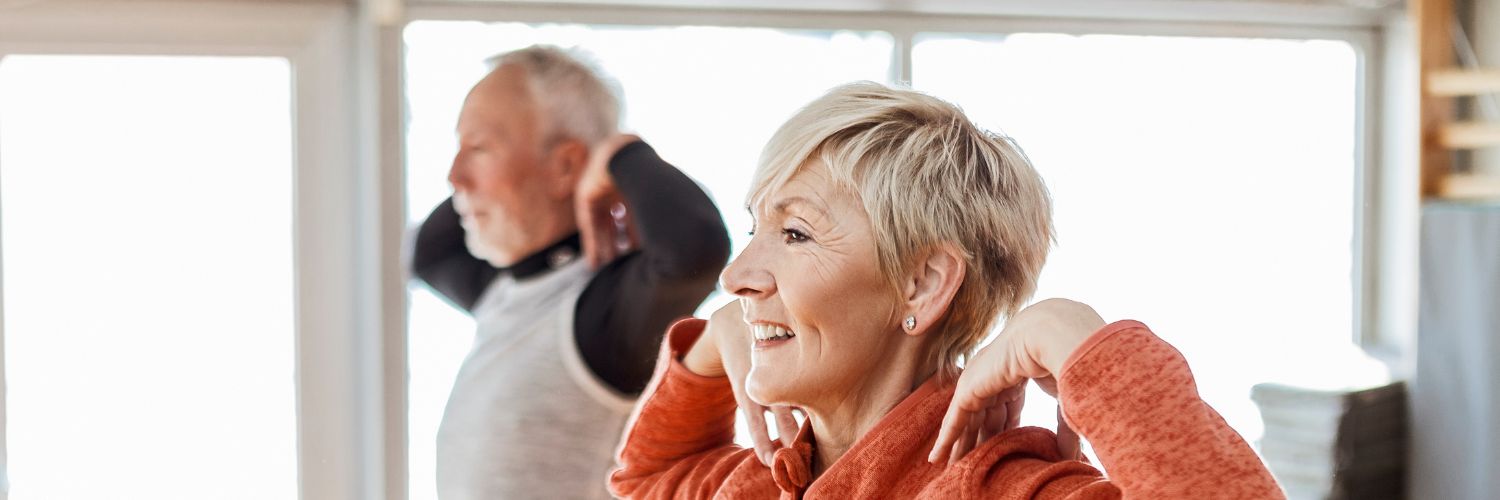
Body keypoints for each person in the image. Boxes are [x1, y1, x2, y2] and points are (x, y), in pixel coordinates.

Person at [609, 82, 1285, 499]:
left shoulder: (1008, 492)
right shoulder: (755, 480)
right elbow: (643, 478)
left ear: (922, 285)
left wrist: (1079, 340)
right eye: (757, 226)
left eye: (795, 235)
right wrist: (714, 346)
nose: (735, 278)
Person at [410, 45, 729, 499]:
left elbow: (694, 248)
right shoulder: (503, 291)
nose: (454, 175)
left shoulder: (599, 314)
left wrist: (618, 152)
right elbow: (431, 252)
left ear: (565, 165)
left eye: (479, 148)